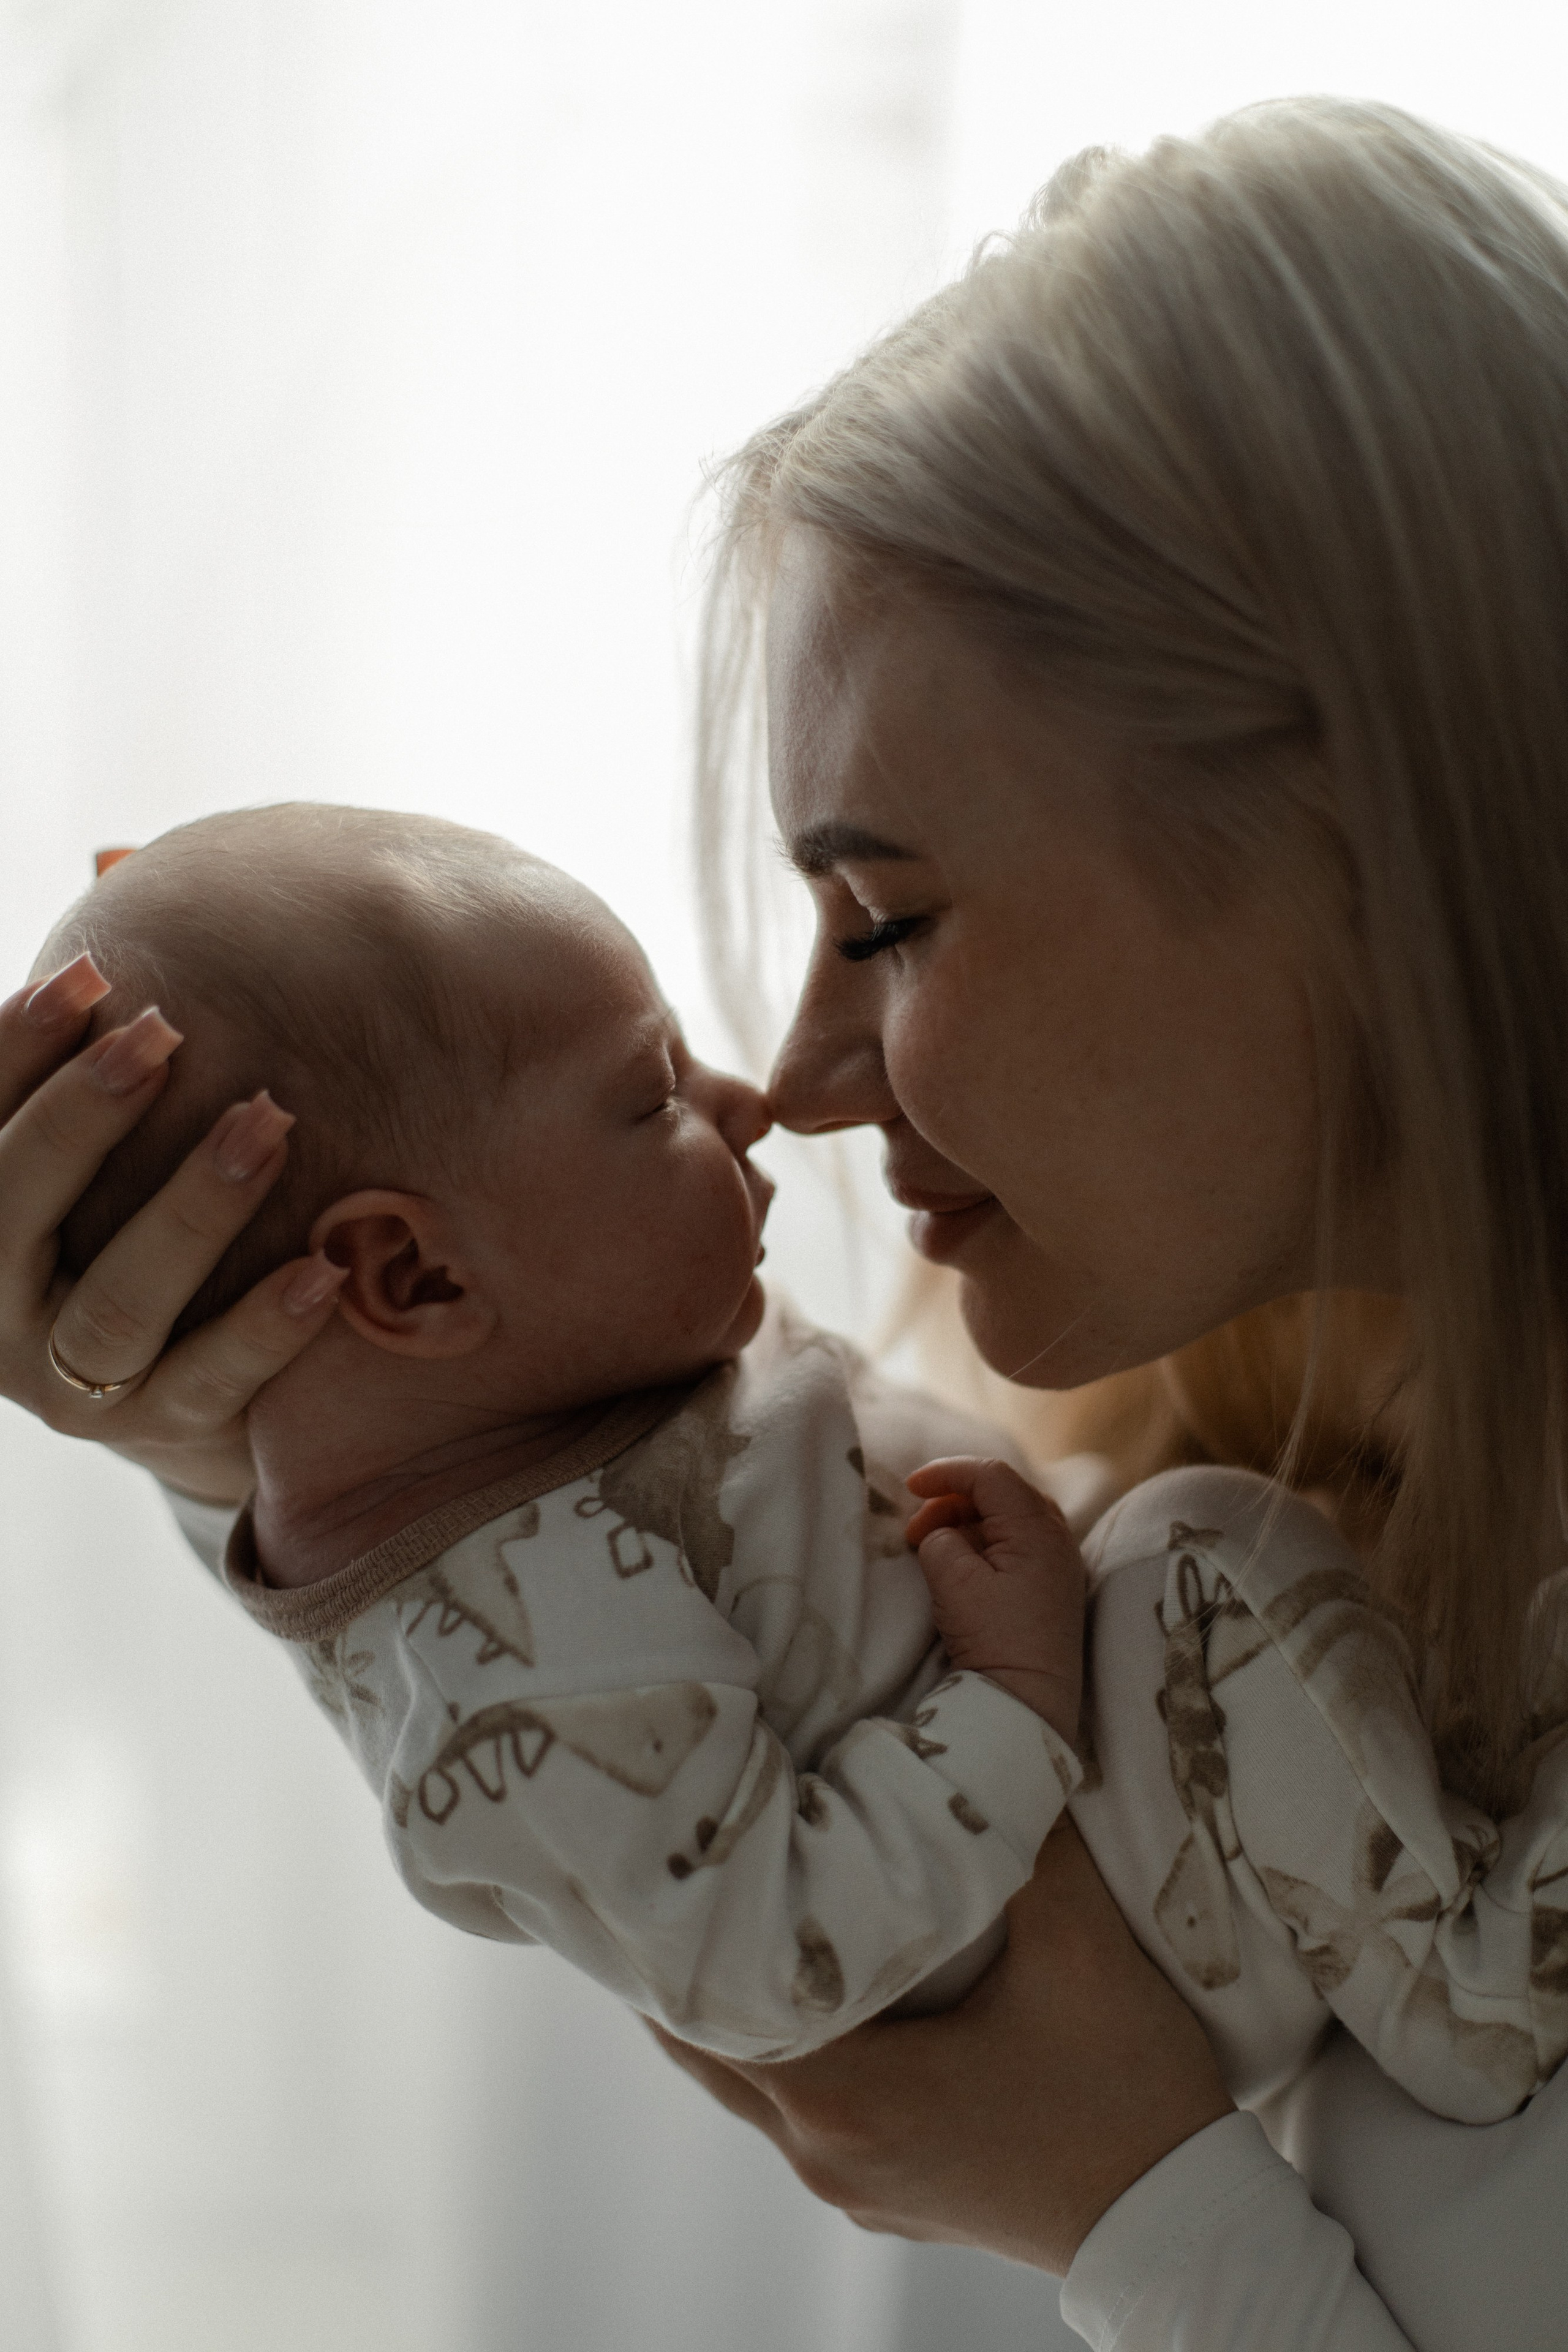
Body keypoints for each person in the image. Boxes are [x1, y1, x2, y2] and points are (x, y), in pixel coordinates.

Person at [3, 89, 1568, 2350]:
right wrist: (257, 1418)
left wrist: (1130, 2208)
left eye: (890, 915)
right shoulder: (1151, 1529)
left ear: (1374, 849)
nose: (804, 1091)